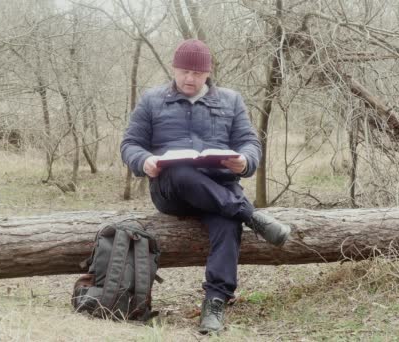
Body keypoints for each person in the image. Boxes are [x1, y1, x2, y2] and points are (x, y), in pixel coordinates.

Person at [120, 39, 291, 334]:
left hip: (219, 187)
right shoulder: (152, 100)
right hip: (172, 189)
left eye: (197, 74)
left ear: (208, 73)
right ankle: (250, 215)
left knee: (227, 224)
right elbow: (130, 144)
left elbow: (249, 143)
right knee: (183, 172)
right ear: (174, 68)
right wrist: (144, 160)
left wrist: (245, 161)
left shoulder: (230, 100)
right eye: (184, 71)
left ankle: (215, 303)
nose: (190, 78)